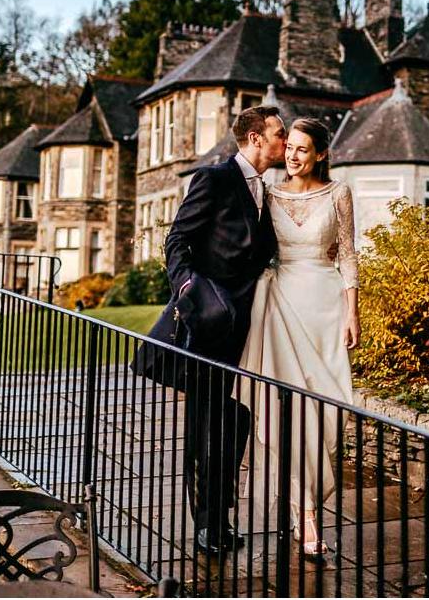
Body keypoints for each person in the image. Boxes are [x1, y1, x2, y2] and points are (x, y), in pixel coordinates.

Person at [162, 105, 286, 556]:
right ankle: (207, 525)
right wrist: (189, 288)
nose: (284, 141)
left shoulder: (268, 192)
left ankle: (222, 515)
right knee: (206, 426)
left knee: (235, 423)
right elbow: (177, 240)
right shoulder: (214, 179)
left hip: (250, 329)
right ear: (255, 138)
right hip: (211, 324)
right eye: (278, 133)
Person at [238, 117, 360, 562]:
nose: (293, 156)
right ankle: (305, 516)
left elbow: (347, 253)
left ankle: (304, 507)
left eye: (304, 149)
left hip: (326, 310)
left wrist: (352, 311)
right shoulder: (266, 192)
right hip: (280, 307)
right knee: (287, 414)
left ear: (321, 154)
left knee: (327, 410)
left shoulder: (339, 193)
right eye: (290, 147)